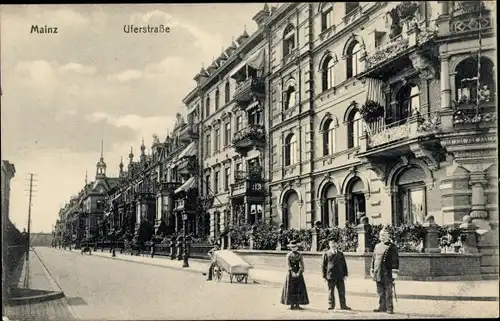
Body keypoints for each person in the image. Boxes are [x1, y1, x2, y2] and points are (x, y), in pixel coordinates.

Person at [370, 228, 399, 314]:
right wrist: (372, 269)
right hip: (378, 271)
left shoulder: (392, 246)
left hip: (387, 271)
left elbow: (395, 260)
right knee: (380, 291)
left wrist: (394, 272)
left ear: (388, 236)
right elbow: (374, 258)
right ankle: (382, 307)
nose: (381, 237)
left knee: (388, 291)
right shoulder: (377, 246)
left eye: (383, 235)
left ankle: (389, 308)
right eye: (380, 235)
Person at [322, 238, 351, 311]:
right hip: (330, 275)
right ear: (329, 244)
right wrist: (324, 276)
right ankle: (331, 305)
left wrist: (345, 274)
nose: (333, 245)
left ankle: (343, 305)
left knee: (342, 291)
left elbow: (344, 264)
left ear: (337, 244)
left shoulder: (340, 254)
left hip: (340, 275)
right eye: (332, 243)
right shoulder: (326, 253)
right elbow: (323, 265)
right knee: (331, 291)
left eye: (335, 243)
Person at [280, 240, 310, 310]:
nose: (294, 248)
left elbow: (302, 264)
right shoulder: (288, 255)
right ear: (290, 248)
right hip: (290, 274)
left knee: (298, 288)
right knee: (291, 289)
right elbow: (288, 265)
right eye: (292, 247)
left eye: (295, 247)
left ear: (297, 247)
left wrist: (299, 272)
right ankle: (291, 305)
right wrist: (292, 272)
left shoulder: (299, 255)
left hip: (298, 273)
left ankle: (297, 304)